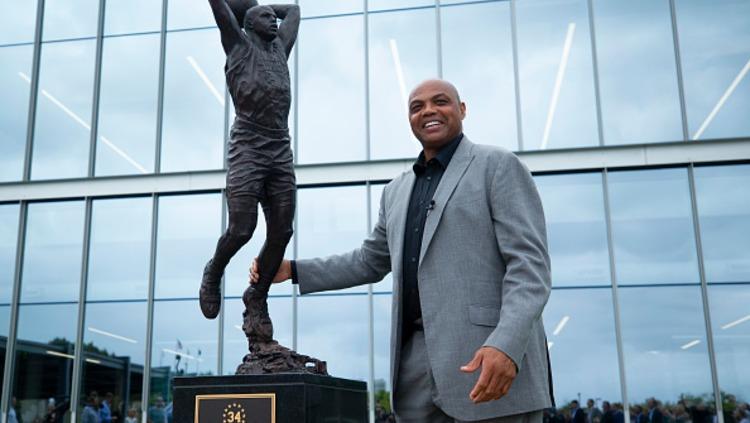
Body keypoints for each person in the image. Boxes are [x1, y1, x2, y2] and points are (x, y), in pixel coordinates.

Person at [251, 79, 553, 422]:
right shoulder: (395, 190)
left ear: (462, 109)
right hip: (414, 373)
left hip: (487, 363)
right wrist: (293, 269)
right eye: (417, 106)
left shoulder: (498, 165)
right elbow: (370, 260)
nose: (429, 111)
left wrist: (506, 345)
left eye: (441, 102)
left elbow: (530, 268)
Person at [200, 0, 301, 336]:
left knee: (283, 231)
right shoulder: (238, 46)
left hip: (279, 148)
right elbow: (219, 9)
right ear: (248, 23)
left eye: (274, 17)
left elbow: (295, 11)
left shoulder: (279, 49)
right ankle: (214, 271)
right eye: (265, 17)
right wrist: (245, 10)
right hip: (248, 149)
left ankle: (257, 298)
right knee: (242, 228)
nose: (274, 21)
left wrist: (263, 6)